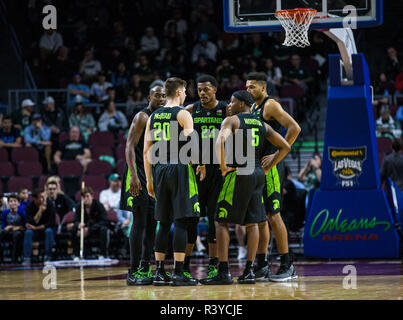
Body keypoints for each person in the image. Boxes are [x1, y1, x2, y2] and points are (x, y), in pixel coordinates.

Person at [201, 90, 291, 285]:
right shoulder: (262, 123)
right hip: (258, 172)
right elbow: (286, 146)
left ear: (242, 104)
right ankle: (250, 271)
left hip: (239, 172)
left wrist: (224, 166)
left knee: (220, 221)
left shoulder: (232, 121)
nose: (229, 106)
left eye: (232, 102)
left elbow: (220, 140)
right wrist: (272, 163)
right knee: (253, 223)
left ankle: (223, 271)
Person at [143, 77, 199, 286]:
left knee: (163, 223)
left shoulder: (154, 116)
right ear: (178, 92)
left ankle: (159, 272)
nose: (186, 95)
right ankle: (178, 272)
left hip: (159, 169)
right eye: (184, 91)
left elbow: (146, 151)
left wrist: (149, 180)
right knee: (182, 220)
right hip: (179, 167)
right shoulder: (183, 114)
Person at [246, 72, 301, 282]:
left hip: (272, 169)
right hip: (259, 169)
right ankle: (262, 264)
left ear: (263, 87)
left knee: (274, 216)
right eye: (247, 87)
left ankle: (288, 265)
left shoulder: (271, 105)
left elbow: (295, 128)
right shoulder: (253, 108)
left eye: (252, 87)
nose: (249, 90)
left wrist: (277, 156)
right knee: (262, 219)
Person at [184, 74, 227, 279]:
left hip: (218, 172)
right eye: (199, 90)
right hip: (196, 172)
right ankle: (183, 265)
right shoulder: (192, 110)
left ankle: (213, 265)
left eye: (206, 89)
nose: (202, 93)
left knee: (213, 220)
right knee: (191, 218)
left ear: (215, 89)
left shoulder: (226, 109)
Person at [123, 84, 166, 285]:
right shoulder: (142, 116)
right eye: (157, 95)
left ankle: (144, 267)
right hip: (137, 175)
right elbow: (129, 146)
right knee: (139, 223)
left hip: (153, 177)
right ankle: (132, 270)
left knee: (152, 224)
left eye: (164, 95)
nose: (161, 99)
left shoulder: (164, 117)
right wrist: (133, 175)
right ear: (149, 96)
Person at [71, 187, 109, 260]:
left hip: (96, 229)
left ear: (92, 196)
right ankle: (76, 254)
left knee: (104, 229)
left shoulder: (99, 205)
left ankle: (103, 254)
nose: (85, 199)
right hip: (84, 229)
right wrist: (78, 225)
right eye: (83, 197)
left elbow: (104, 221)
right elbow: (75, 220)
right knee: (73, 229)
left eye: (87, 196)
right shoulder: (79, 206)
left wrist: (89, 229)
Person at [23, 188, 56, 264]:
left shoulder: (50, 205)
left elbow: (51, 223)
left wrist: (36, 228)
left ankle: (48, 257)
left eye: (44, 197)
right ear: (35, 199)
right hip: (34, 230)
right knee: (28, 232)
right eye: (41, 197)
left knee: (49, 231)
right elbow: (31, 222)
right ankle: (26, 258)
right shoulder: (29, 207)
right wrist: (40, 211)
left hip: (46, 229)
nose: (43, 199)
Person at [0, 194, 25, 263]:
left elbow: (24, 225)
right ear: (8, 203)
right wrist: (9, 228)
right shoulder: (5, 213)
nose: (13, 203)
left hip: (19, 232)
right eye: (11, 201)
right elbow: (3, 226)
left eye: (15, 201)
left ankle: (14, 259)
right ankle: (1, 259)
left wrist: (16, 227)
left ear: (18, 203)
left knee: (16, 235)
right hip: (8, 231)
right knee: (1, 234)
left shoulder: (22, 212)